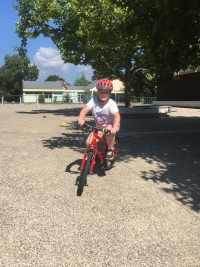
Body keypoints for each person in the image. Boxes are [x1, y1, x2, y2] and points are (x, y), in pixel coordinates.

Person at [78, 78, 121, 160]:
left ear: (109, 93)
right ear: (98, 92)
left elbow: (117, 116)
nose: (103, 94)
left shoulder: (111, 104)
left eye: (106, 92)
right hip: (99, 128)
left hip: (112, 125)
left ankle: (110, 149)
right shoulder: (94, 101)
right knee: (88, 143)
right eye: (101, 92)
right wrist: (81, 118)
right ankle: (95, 155)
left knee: (109, 130)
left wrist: (115, 128)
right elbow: (85, 109)